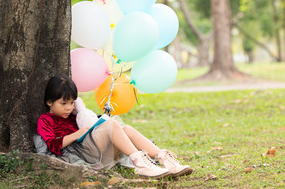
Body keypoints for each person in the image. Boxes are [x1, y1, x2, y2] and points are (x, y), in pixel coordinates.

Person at [37, 75, 193, 179]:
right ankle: (140, 164)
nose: (68, 108)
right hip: (78, 151)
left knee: (127, 129)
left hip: (93, 147)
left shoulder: (73, 115)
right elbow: (51, 145)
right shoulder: (45, 120)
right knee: (112, 124)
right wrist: (76, 135)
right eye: (63, 104)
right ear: (49, 102)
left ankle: (164, 159)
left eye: (72, 103)